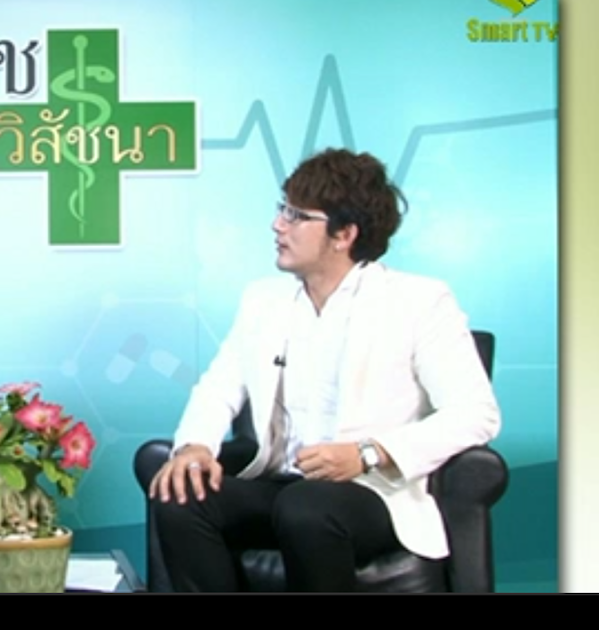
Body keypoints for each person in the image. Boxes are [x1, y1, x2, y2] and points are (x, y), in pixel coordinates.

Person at [145, 148, 500, 592]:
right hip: (280, 484)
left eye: (296, 216)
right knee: (182, 496)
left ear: (344, 234)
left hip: (372, 494)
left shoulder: (419, 302)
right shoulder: (263, 300)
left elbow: (476, 414)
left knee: (306, 506)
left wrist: (367, 453)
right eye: (282, 209)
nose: (278, 225)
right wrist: (195, 446)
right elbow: (219, 386)